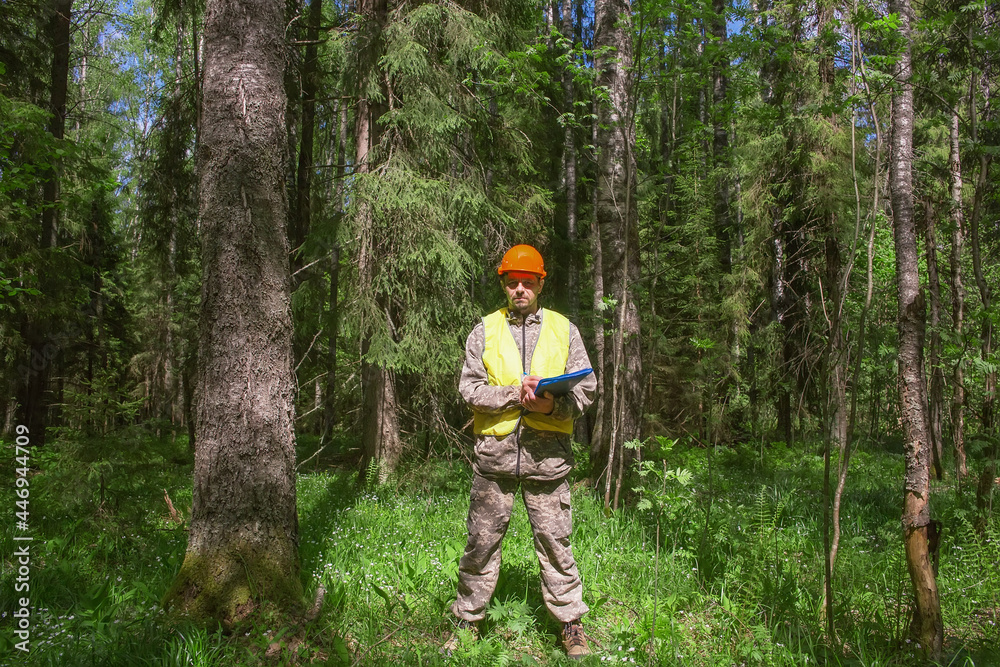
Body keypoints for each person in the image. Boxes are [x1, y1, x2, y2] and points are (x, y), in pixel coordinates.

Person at [444, 244, 597, 659]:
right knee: (481, 543)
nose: (520, 288)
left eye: (528, 282)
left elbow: (587, 389)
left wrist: (552, 404)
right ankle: (467, 621)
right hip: (494, 458)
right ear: (503, 284)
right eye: (513, 282)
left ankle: (570, 624)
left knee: (556, 544)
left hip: (548, 460)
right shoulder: (485, 330)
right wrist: (517, 394)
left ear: (540, 283)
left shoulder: (565, 329)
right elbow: (469, 389)